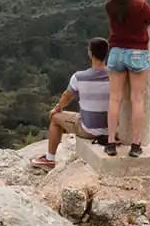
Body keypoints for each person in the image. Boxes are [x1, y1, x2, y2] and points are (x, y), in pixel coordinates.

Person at [103, 0, 150, 158]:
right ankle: (135, 145)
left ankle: (111, 142)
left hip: (116, 52)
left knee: (114, 99)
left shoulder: (110, 6)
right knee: (137, 100)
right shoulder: (141, 5)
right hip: (136, 53)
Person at [41, 38, 111, 169]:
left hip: (89, 130)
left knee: (55, 118)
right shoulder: (115, 76)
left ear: (90, 53)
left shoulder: (79, 77)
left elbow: (66, 96)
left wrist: (57, 108)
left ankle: (49, 159)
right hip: (112, 130)